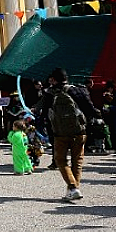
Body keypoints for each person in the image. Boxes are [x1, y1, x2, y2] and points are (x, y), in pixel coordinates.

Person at [37, 68, 99, 202]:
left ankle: (72, 187)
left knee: (60, 160)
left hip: (60, 133)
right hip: (80, 131)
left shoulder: (49, 93)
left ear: (53, 79)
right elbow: (90, 108)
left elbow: (41, 113)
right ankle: (73, 189)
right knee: (77, 161)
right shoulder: (79, 90)